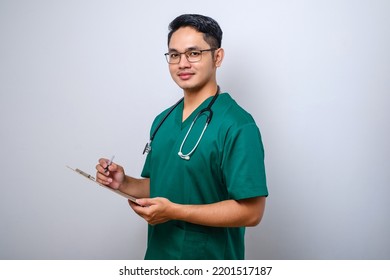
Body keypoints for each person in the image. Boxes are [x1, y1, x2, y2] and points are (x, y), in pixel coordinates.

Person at [96, 14, 268, 260]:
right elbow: (165, 185)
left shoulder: (238, 125)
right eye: (174, 55)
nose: (182, 63)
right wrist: (124, 183)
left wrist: (175, 212)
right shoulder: (163, 121)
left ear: (217, 57)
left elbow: (252, 213)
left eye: (194, 53)